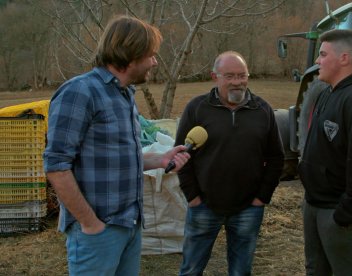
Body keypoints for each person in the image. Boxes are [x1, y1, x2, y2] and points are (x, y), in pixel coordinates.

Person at [43, 15, 190, 276]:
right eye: (151, 55)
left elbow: (118, 156)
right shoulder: (80, 92)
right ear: (130, 54)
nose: (154, 62)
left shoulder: (124, 94)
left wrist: (160, 158)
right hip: (98, 230)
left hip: (129, 224)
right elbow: (56, 166)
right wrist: (90, 223)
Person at [175, 51, 285, 276]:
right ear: (215, 77)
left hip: (248, 208)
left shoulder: (262, 110)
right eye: (230, 76)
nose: (237, 82)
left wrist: (261, 197)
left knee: (241, 271)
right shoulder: (197, 108)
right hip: (204, 206)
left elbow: (276, 158)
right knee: (191, 269)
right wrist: (193, 197)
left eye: (242, 75)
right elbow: (181, 156)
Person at [298, 29, 352, 276]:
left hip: (341, 215)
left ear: (344, 58)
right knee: (316, 270)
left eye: (323, 54)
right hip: (318, 206)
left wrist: (344, 215)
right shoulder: (330, 92)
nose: (317, 61)